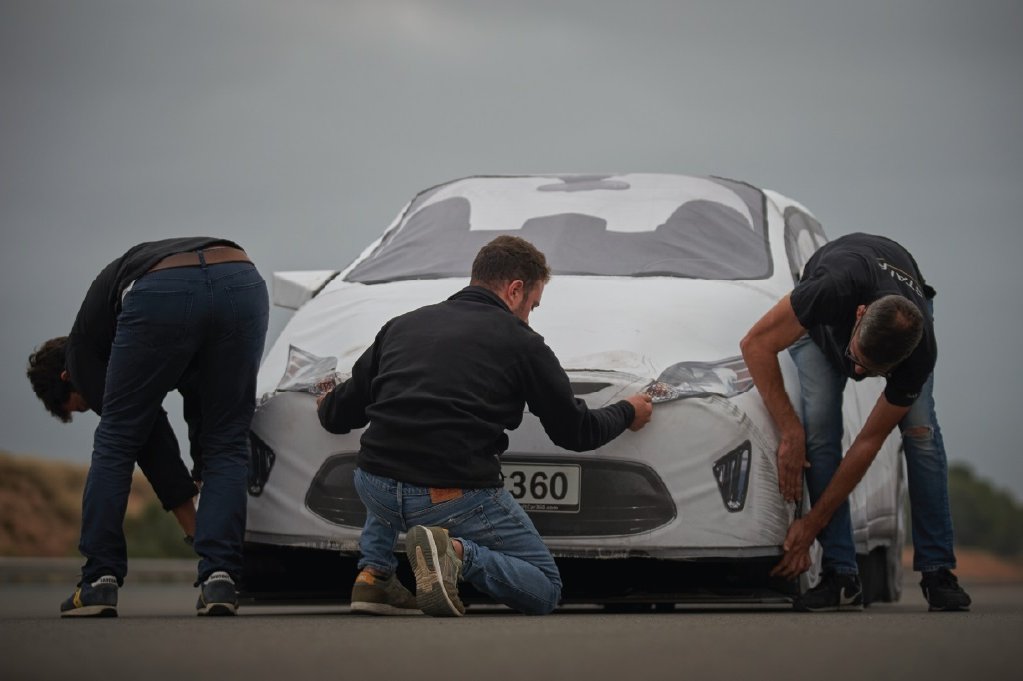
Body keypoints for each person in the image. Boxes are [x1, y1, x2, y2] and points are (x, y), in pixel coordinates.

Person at [317, 235, 653, 616]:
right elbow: (576, 432)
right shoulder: (522, 343)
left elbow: (338, 415)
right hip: (446, 498)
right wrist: (628, 410)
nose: (529, 316)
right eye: (533, 305)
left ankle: (374, 577)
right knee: (546, 588)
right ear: (515, 290)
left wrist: (326, 401)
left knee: (396, 443)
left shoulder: (401, 326)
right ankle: (455, 554)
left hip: (374, 487)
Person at [27, 238, 269, 617]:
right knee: (226, 441)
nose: (93, 406)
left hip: (162, 290)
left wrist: (192, 522)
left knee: (117, 439)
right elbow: (198, 406)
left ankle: (98, 582)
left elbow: (147, 438)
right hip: (240, 280)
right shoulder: (107, 327)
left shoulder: (81, 353)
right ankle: (220, 579)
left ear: (66, 376)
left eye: (81, 404)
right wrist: (201, 504)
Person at [740, 232, 970, 612]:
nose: (858, 370)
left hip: (901, 309)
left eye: (873, 370)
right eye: (857, 357)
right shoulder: (830, 290)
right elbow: (755, 344)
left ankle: (938, 570)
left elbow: (867, 442)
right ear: (860, 314)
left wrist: (812, 523)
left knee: (921, 434)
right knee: (819, 433)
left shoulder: (919, 352)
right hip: (821, 332)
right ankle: (840, 573)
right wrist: (790, 430)